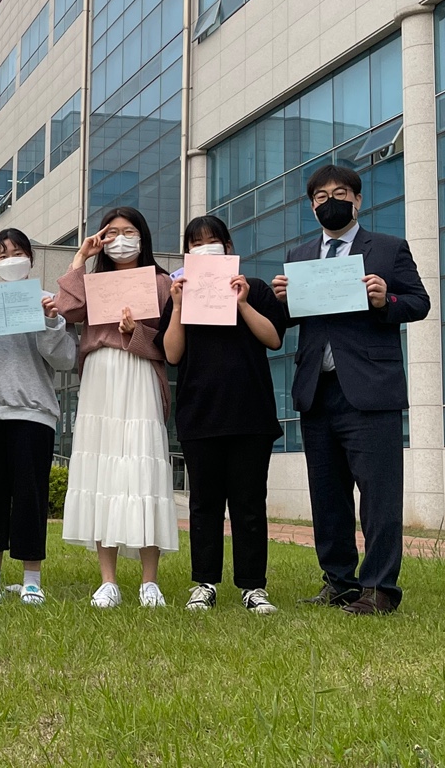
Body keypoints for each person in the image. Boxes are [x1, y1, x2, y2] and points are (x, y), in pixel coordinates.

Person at [271, 165, 428, 615]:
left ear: (358, 200)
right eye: (321, 197)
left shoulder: (389, 249)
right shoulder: (300, 255)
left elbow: (419, 302)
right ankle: (339, 581)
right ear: (312, 207)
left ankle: (379, 588)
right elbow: (291, 320)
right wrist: (282, 301)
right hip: (316, 390)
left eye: (340, 193)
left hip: (370, 389)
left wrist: (385, 299)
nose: (331, 202)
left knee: (379, 495)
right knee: (327, 495)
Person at [156, 215, 285, 615]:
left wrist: (242, 302)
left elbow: (274, 339)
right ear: (187, 253)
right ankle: (204, 583)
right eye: (195, 244)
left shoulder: (255, 288)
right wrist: (178, 306)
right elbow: (172, 354)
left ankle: (253, 586)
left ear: (228, 247)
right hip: (200, 414)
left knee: (249, 504)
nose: (205, 248)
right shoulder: (179, 295)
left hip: (250, 414)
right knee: (204, 505)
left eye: (212, 241)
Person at [54, 207, 177, 608]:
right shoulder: (94, 282)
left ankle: (149, 581)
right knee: (101, 470)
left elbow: (171, 345)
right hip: (100, 375)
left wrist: (136, 332)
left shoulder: (161, 282)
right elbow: (67, 309)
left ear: (143, 236)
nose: (121, 240)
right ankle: (108, 580)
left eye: (129, 231)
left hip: (140, 372)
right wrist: (80, 257)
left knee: (144, 467)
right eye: (113, 233)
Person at [0, 228, 76, 606]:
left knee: (30, 498)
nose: (10, 260)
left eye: (17, 252)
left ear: (31, 259)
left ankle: (31, 580)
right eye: (2, 254)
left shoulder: (47, 303)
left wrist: (50, 322)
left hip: (33, 412)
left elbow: (65, 359)